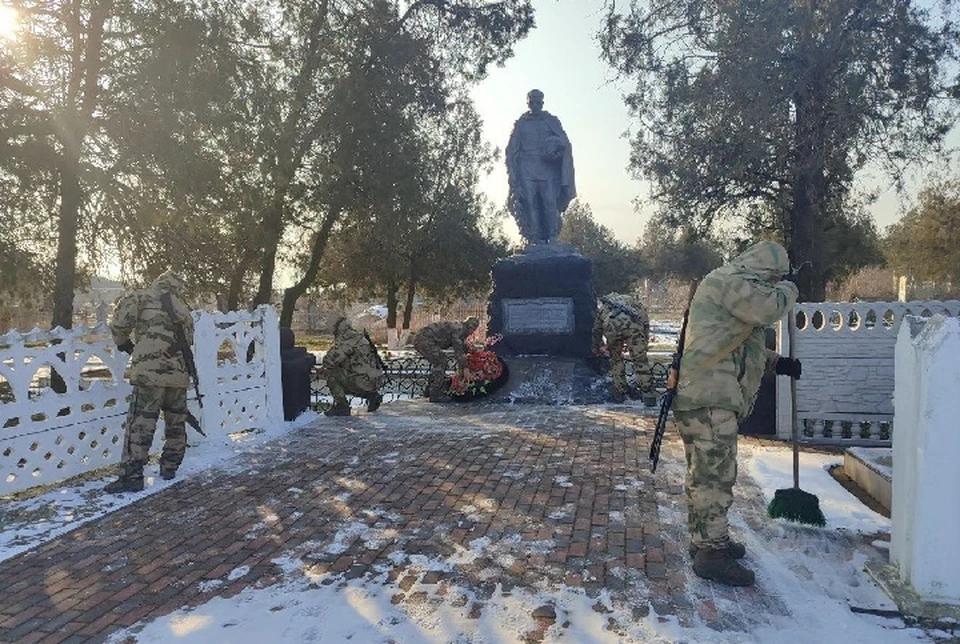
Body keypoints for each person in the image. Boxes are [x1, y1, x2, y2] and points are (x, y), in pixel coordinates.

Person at [672, 241, 802, 587]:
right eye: (773, 278)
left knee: (707, 473)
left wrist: (780, 363)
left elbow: (743, 344)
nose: (774, 285)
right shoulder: (730, 281)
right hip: (709, 398)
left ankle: (708, 540)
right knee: (714, 477)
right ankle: (710, 552)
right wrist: (790, 287)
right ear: (765, 271)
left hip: (708, 397)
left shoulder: (733, 285)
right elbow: (768, 310)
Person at [104, 271, 194, 493]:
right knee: (176, 423)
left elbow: (120, 323)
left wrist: (123, 343)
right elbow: (189, 339)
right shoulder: (183, 308)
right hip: (178, 375)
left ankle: (132, 476)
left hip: (149, 374)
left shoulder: (142, 297)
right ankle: (170, 467)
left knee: (141, 424)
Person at [505, 89, 576, 245]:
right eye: (532, 102)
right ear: (528, 102)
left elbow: (564, 142)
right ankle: (534, 238)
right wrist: (512, 174)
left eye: (538, 102)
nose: (535, 105)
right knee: (530, 202)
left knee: (549, 201)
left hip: (547, 169)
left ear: (542, 103)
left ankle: (552, 237)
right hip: (526, 168)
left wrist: (555, 153)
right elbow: (511, 149)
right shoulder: (521, 123)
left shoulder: (551, 121)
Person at [592, 292, 655, 405]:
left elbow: (597, 329)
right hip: (633, 326)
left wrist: (597, 346)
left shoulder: (604, 307)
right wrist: (643, 344)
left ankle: (620, 392)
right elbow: (645, 321)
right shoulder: (633, 302)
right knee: (640, 361)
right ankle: (648, 395)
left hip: (611, 326)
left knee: (616, 360)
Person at [321, 314, 385, 417]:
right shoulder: (358, 336)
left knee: (330, 373)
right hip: (373, 380)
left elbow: (330, 361)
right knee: (348, 376)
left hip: (362, 381)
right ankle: (372, 396)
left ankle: (342, 406)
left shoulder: (347, 339)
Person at [413, 317, 481, 402]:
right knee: (441, 361)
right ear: (470, 328)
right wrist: (465, 368)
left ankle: (429, 391)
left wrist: (473, 351)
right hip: (424, 339)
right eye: (473, 329)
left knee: (439, 361)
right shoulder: (459, 330)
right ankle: (435, 394)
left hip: (424, 338)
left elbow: (462, 346)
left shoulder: (460, 328)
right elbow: (458, 351)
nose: (472, 332)